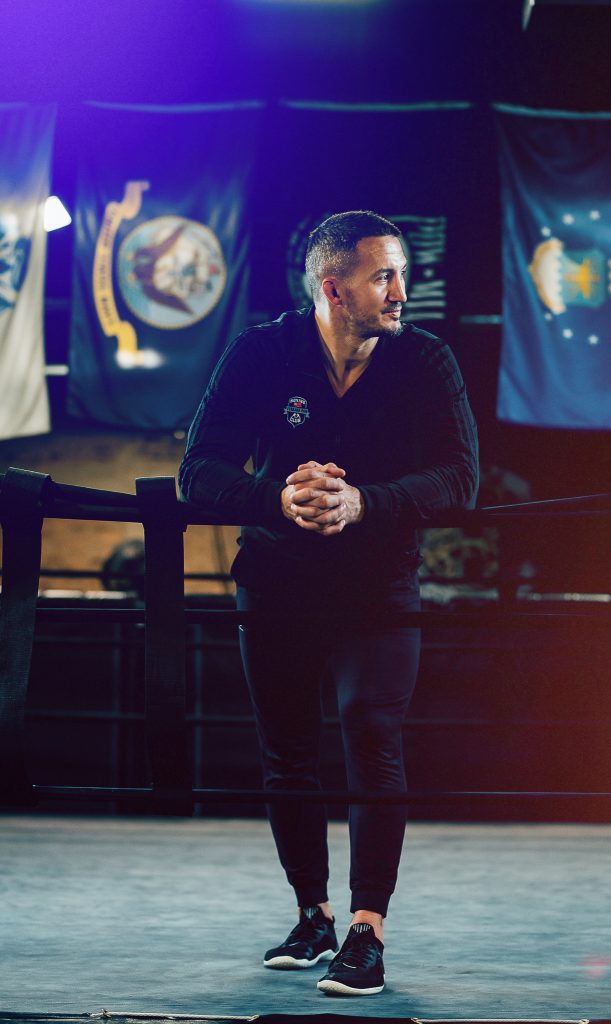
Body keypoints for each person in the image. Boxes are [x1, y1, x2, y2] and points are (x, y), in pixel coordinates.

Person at [179, 210, 479, 996]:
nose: (401, 290)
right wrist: (277, 499)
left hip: (378, 585)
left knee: (370, 731)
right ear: (333, 288)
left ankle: (365, 930)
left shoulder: (425, 359)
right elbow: (198, 468)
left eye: (402, 273)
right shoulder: (261, 352)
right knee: (286, 751)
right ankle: (311, 914)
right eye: (384, 276)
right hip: (276, 579)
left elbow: (460, 477)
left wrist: (362, 502)